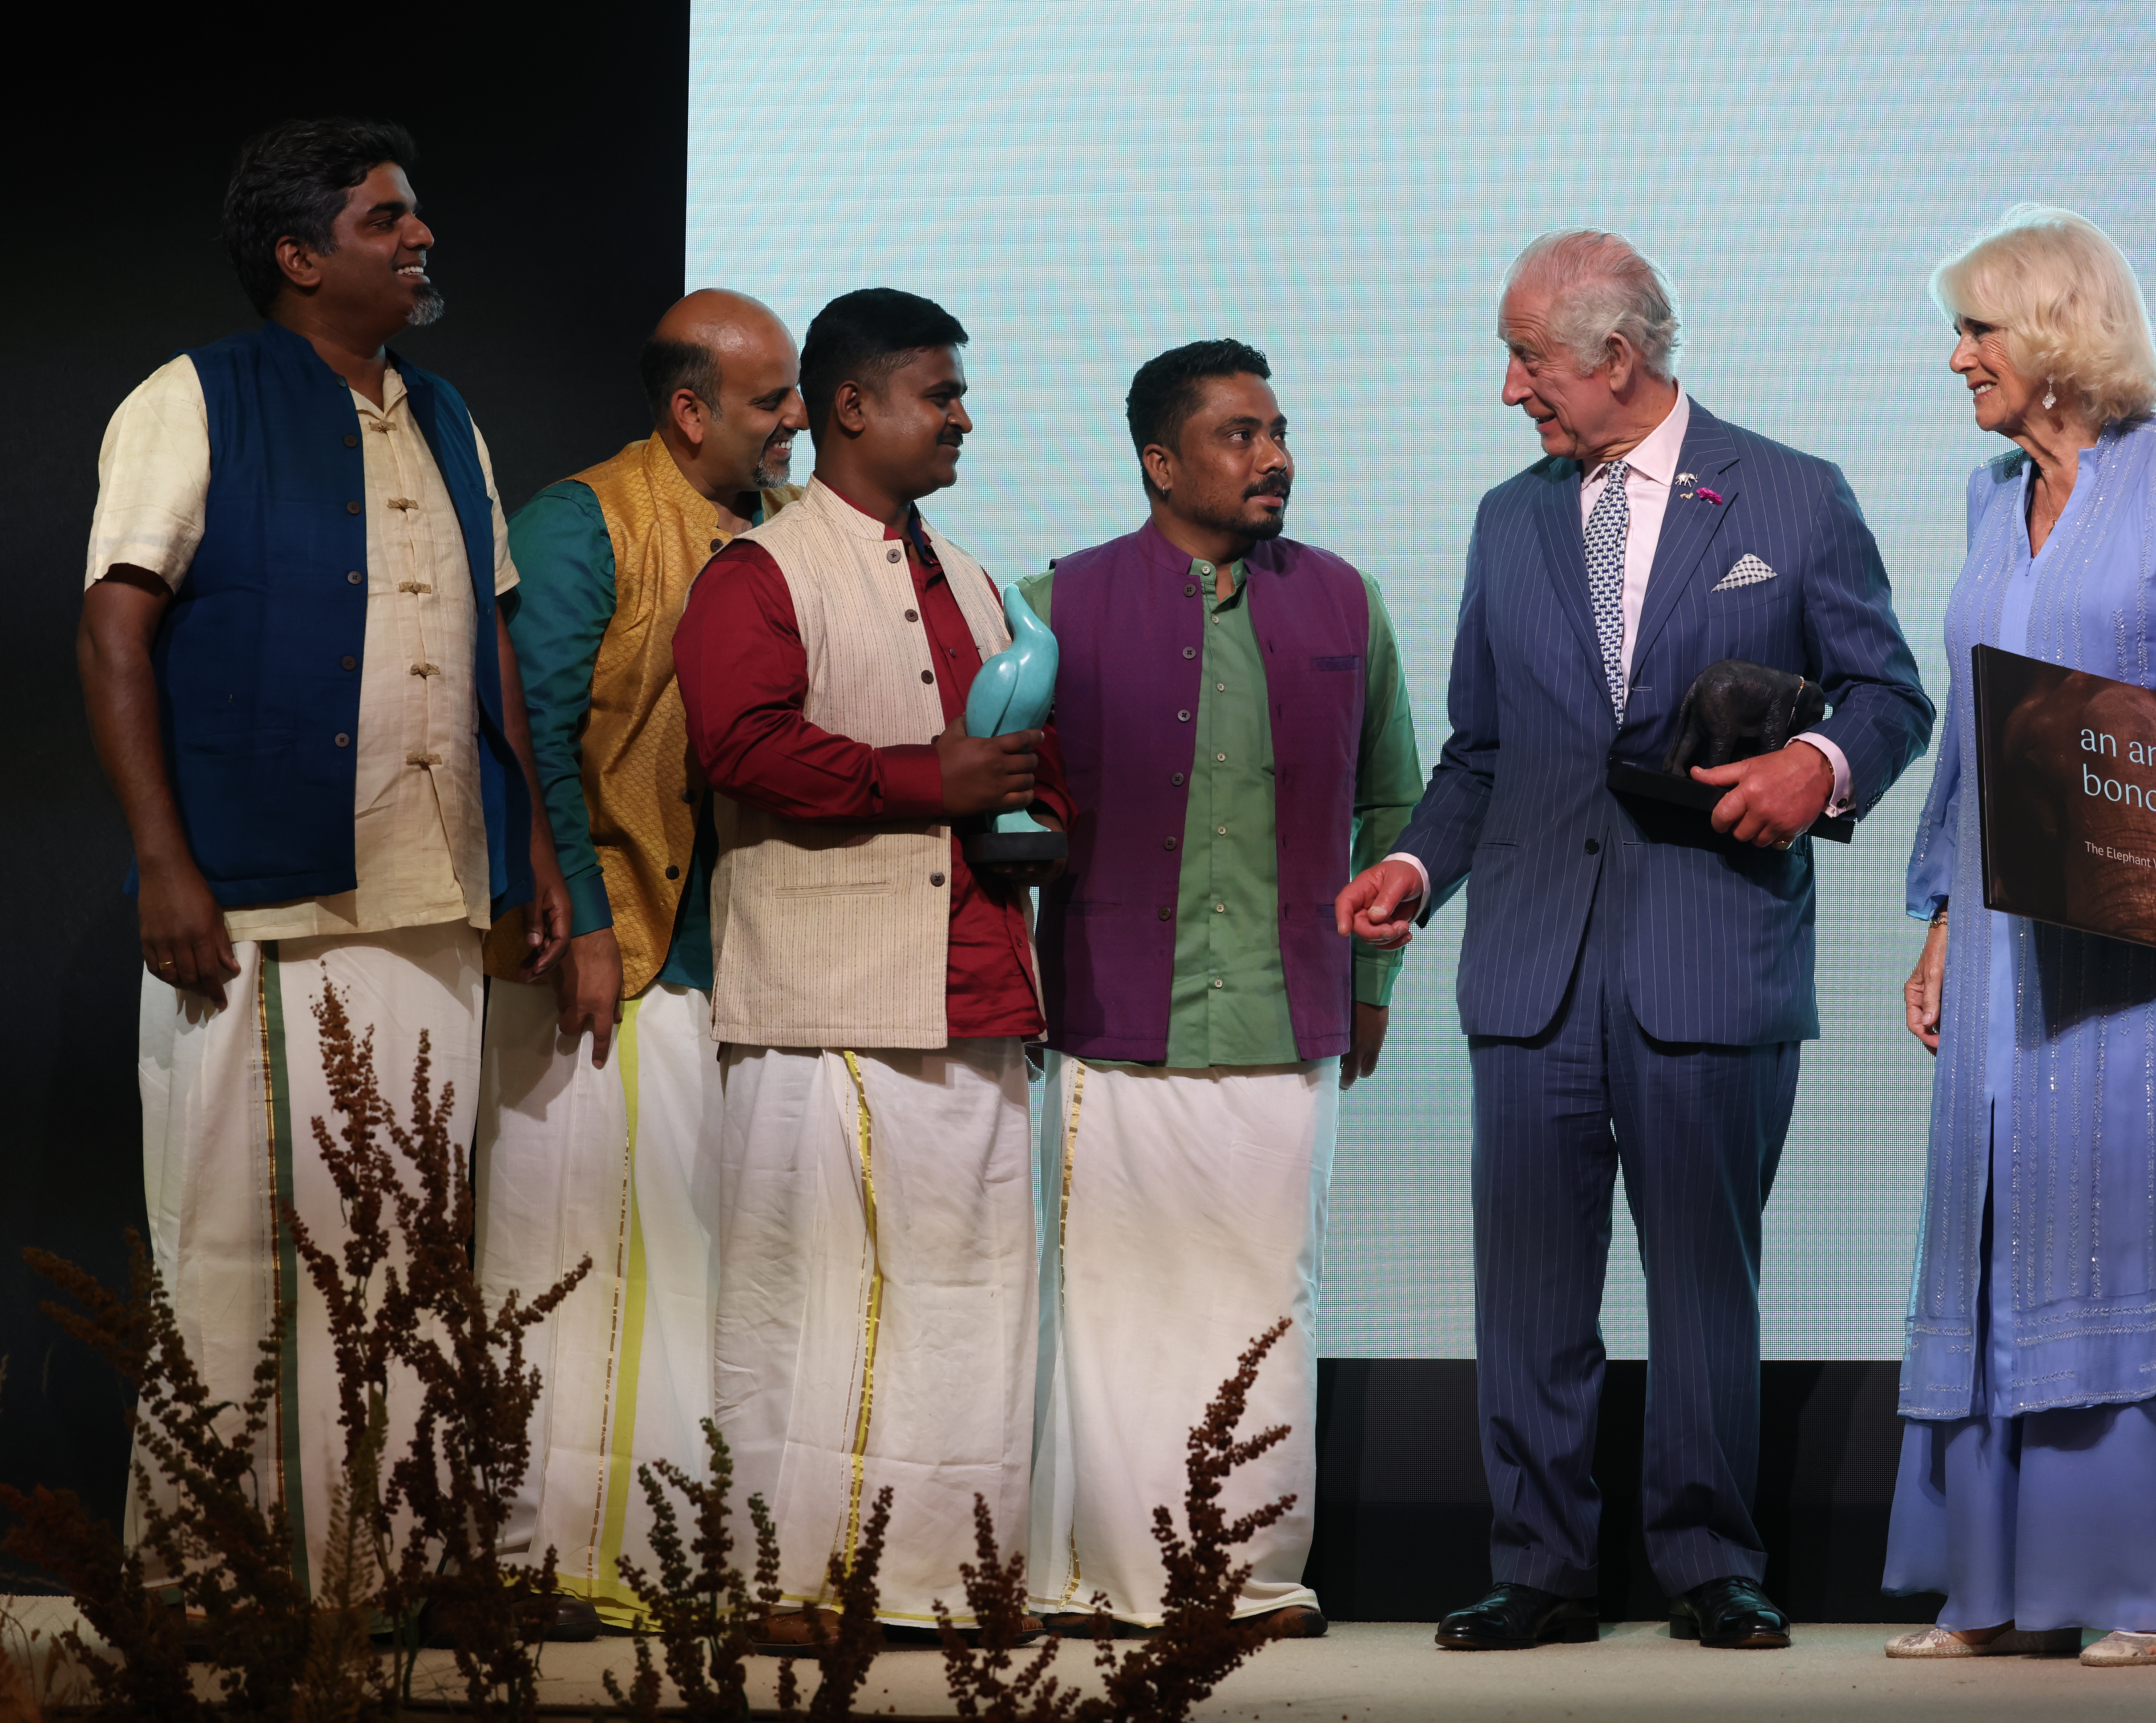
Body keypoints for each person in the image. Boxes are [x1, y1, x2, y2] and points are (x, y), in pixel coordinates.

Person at [1336, 229, 1934, 1652]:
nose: (1508, 389)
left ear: (1615, 356)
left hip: (1711, 958)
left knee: (1706, 1285)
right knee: (1527, 1290)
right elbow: (1481, 752)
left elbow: (1889, 699)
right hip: (1532, 965)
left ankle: (1710, 1560)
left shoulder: (1792, 494)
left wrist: (1817, 770)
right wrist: (1413, 864)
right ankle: (1540, 1567)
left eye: (1526, 359)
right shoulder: (1510, 521)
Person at [77, 117, 569, 1593]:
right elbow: (113, 631)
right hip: (257, 894)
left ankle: (386, 1568)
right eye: (384, 220)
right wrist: (167, 862)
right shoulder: (193, 398)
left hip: (432, 886)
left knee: (409, 1235)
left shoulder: (448, 413)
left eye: (415, 216)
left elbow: (492, 644)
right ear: (300, 257)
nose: (421, 239)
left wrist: (534, 850)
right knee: (239, 1237)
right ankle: (215, 1579)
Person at [1880, 206, 2156, 1669]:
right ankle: (2003, 1585)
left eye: (1977, 331)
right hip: (2004, 947)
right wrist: (1942, 916)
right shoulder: (1987, 496)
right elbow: (1972, 728)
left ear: (2056, 332)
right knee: (2005, 1222)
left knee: (2131, 1215)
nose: (1959, 359)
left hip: (2146, 934)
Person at [672, 287, 1071, 1647]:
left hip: (974, 987)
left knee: (968, 1306)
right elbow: (739, 745)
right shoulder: (760, 573)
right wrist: (926, 779)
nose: (964, 420)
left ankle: (947, 1579)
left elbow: (1012, 765)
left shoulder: (975, 578)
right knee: (807, 1304)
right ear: (854, 406)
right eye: (940, 395)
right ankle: (787, 1583)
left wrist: (1037, 813)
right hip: (823, 1002)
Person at [1021, 340, 1424, 1640]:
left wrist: (1373, 979)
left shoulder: (1347, 605)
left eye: (1278, 431)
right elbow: (1006, 813)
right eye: (1241, 435)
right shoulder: (1055, 604)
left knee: (1262, 1303)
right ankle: (1103, 1576)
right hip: (1108, 1010)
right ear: (1161, 461)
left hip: (1286, 1013)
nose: (1276, 457)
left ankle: (1245, 1580)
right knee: (1108, 1304)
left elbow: (1393, 806)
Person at [473, 290, 807, 1628]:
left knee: (686, 1271)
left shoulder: (785, 529)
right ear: (688, 410)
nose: (796, 421)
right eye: (773, 400)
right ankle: (542, 1558)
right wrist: (590, 924)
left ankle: (661, 1556)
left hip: (732, 958)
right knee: (567, 1258)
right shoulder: (587, 522)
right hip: (601, 948)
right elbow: (534, 735)